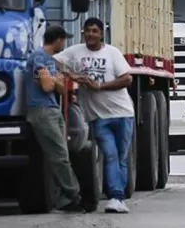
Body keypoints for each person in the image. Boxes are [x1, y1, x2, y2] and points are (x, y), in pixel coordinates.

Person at [54, 17, 134, 213]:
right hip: (98, 118)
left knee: (121, 157)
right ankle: (116, 197)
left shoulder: (112, 53)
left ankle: (119, 199)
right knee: (110, 155)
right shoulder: (75, 52)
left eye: (94, 31)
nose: (90, 34)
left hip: (123, 113)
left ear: (101, 34)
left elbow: (127, 79)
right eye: (87, 31)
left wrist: (99, 86)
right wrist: (72, 76)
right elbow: (52, 61)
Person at [25, 25, 85, 213]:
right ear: (58, 39)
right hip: (42, 111)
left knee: (60, 156)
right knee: (59, 156)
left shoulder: (49, 60)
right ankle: (75, 196)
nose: (64, 44)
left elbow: (58, 88)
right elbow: (46, 86)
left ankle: (61, 199)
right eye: (64, 40)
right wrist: (53, 81)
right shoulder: (38, 57)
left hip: (53, 109)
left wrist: (54, 81)